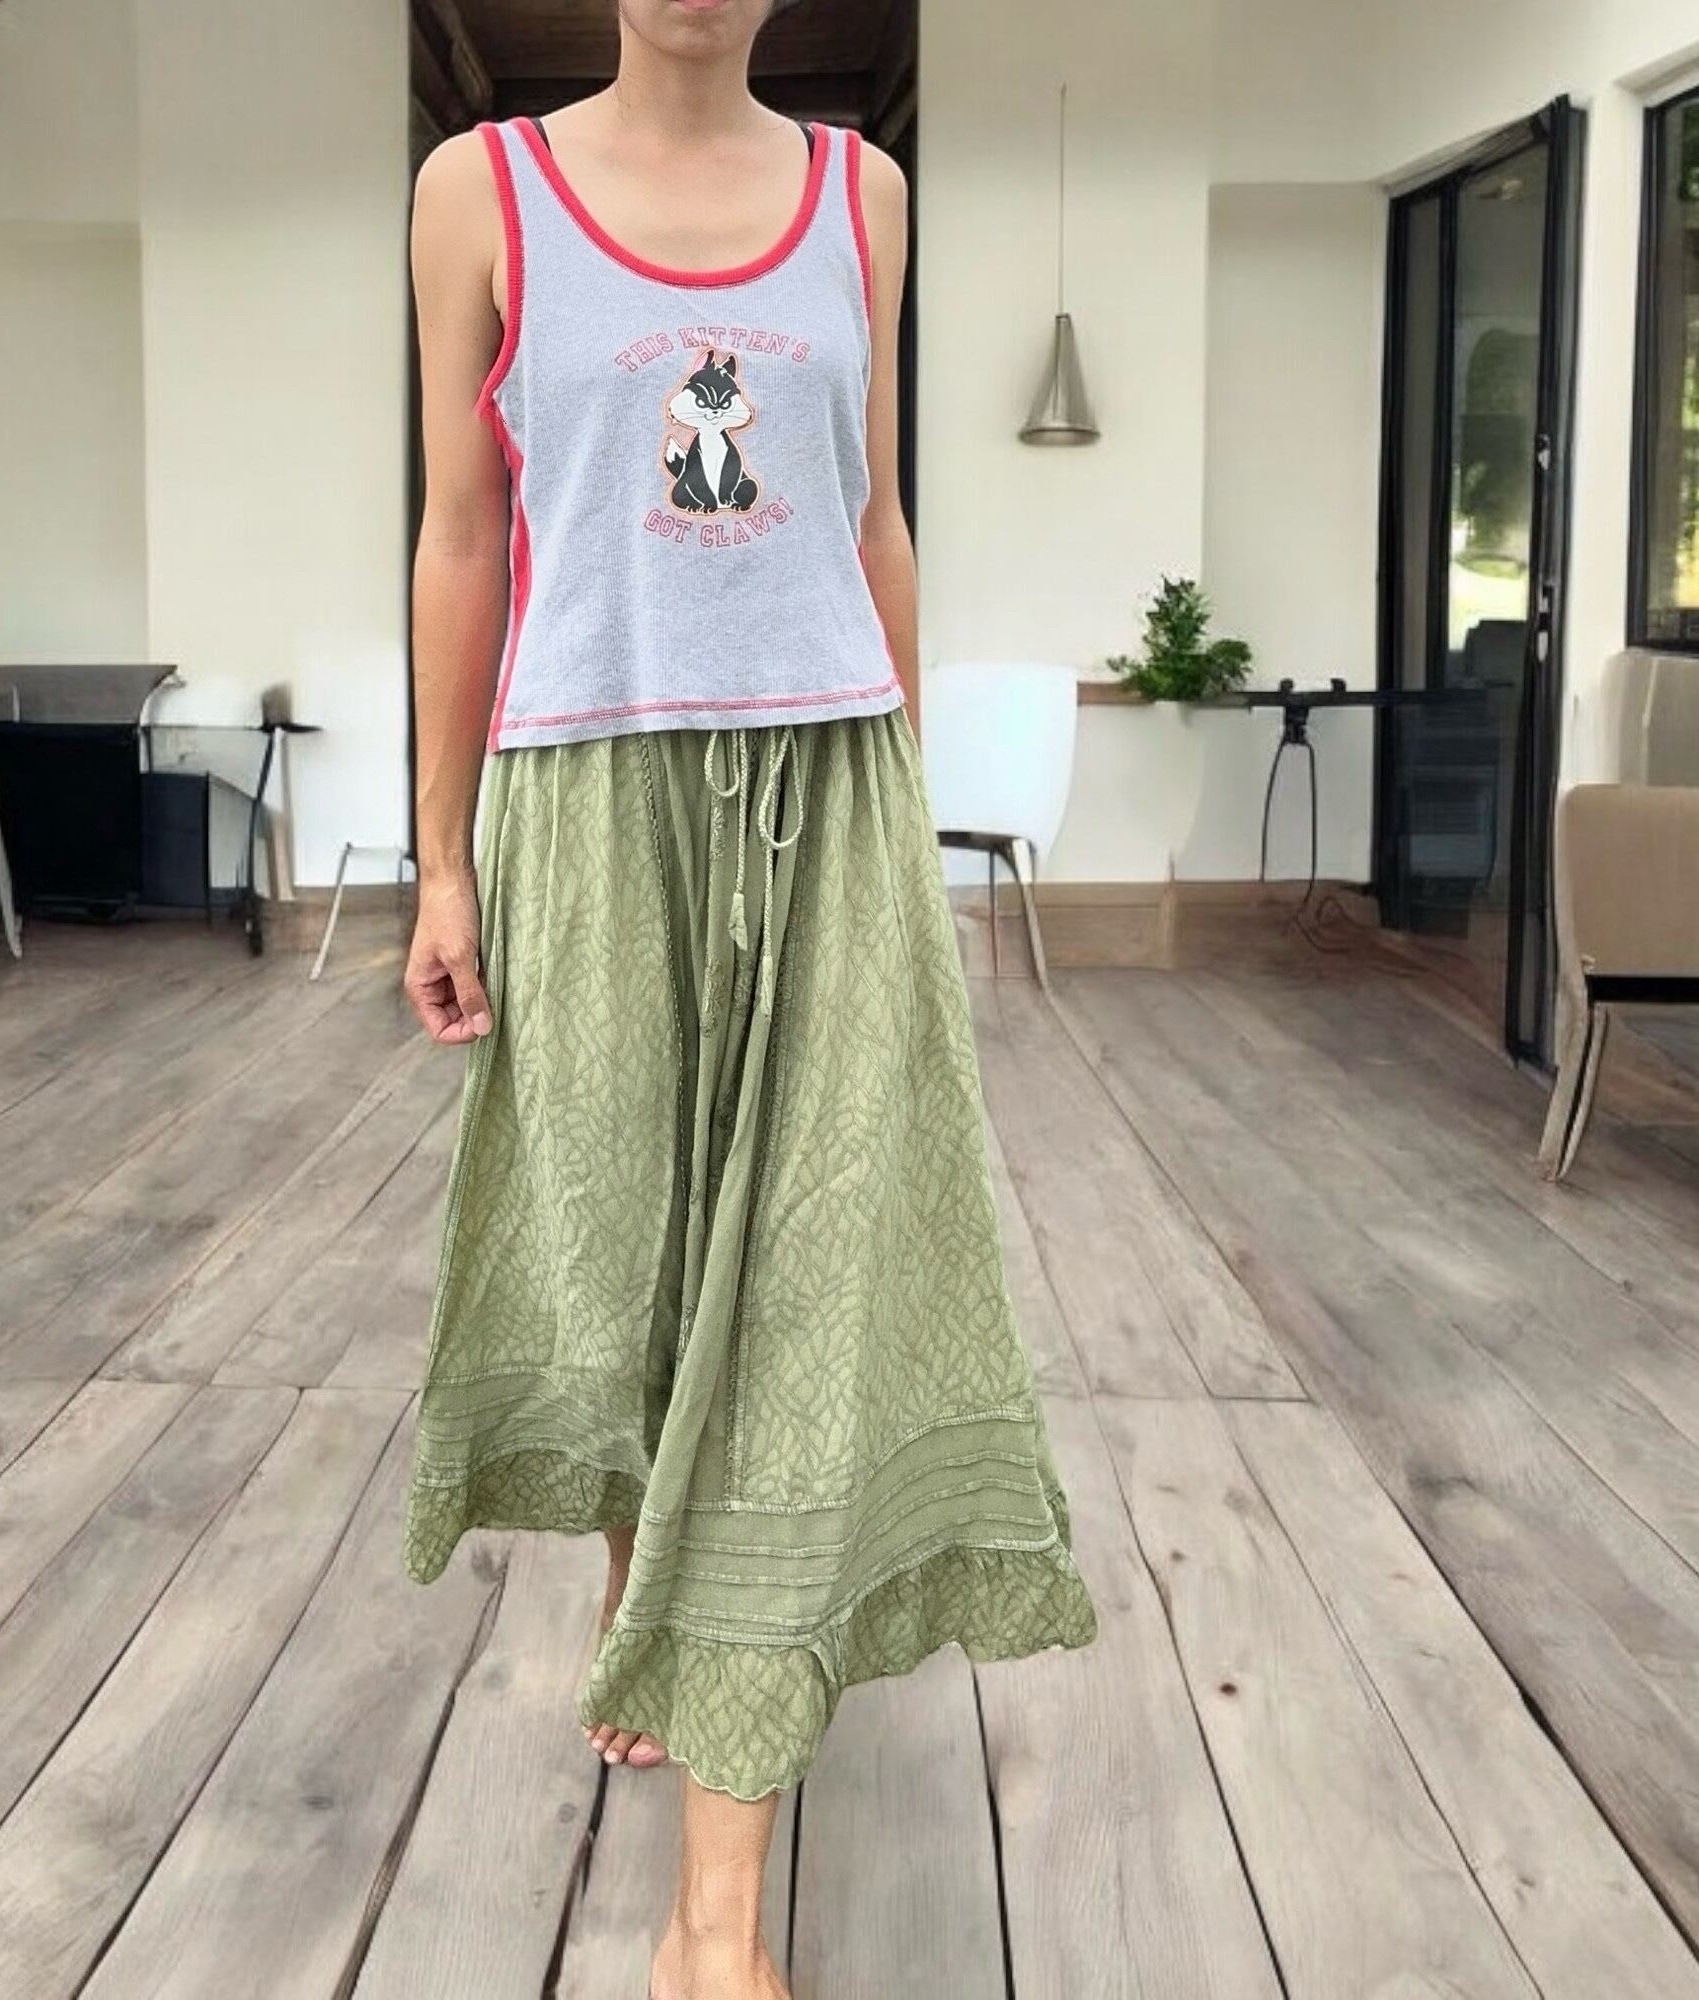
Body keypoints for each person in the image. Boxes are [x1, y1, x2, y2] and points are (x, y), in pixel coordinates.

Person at [399, 3, 1096, 1994]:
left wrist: (903, 826)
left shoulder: (864, 196)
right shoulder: (479, 191)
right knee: (620, 1254)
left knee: (795, 1287)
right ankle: (650, 1583)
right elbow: (464, 532)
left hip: (828, 783)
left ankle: (713, 1926)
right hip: (587, 794)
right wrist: (441, 858)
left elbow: (870, 519)